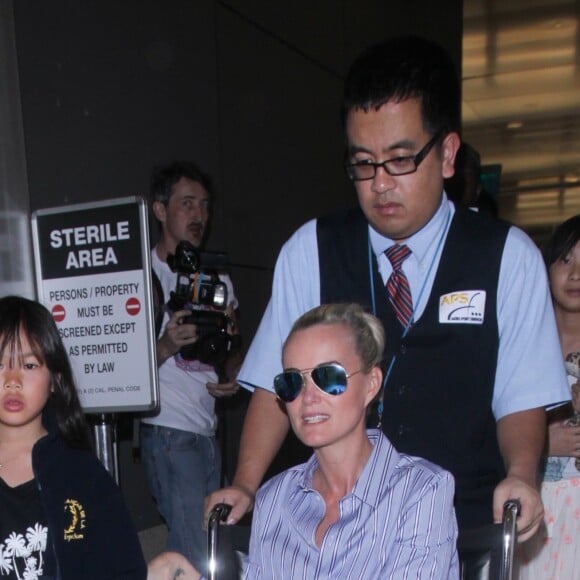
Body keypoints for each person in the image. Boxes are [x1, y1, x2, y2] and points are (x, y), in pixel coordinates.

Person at [205, 35, 570, 540]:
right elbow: (275, 383)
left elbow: (520, 395)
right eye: (363, 163)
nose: (379, 183)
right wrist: (245, 484)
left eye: (400, 160)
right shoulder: (312, 249)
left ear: (446, 154)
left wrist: (521, 477)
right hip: (334, 532)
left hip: (458, 528)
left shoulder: (507, 257)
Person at [152, 304, 459, 579]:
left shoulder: (422, 491)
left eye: (328, 377)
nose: (308, 398)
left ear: (371, 385)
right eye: (292, 381)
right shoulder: (275, 498)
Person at [0, 295, 146, 580]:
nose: (12, 380)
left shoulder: (82, 474)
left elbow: (124, 568)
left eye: (29, 366)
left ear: (55, 378)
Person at [141, 160, 241, 574]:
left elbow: (234, 347)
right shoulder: (143, 275)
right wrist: (165, 344)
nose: (199, 215)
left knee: (210, 543)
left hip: (205, 430)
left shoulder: (214, 276)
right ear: (160, 210)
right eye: (187, 204)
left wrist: (232, 373)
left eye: (204, 205)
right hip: (168, 430)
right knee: (193, 552)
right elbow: (117, 370)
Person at [518, 215, 580, 578]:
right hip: (531, 501)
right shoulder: (523, 340)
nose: (575, 275)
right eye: (565, 260)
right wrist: (542, 442)